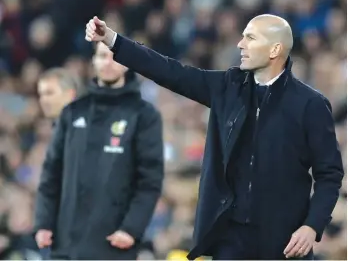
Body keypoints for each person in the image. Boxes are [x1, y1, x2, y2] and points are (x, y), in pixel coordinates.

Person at [84, 14, 344, 260]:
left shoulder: (310, 105)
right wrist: (113, 40)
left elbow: (329, 173)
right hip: (230, 238)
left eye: (250, 38)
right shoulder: (227, 87)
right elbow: (170, 71)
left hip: (284, 241)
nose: (240, 44)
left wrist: (312, 226)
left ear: (275, 50)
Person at [34, 41, 164, 259]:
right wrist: (44, 223)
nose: (108, 63)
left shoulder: (144, 115)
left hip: (113, 245)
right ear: (93, 61)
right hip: (66, 245)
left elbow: (150, 181)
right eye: (102, 56)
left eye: (115, 57)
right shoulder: (73, 112)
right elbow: (51, 174)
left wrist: (131, 229)